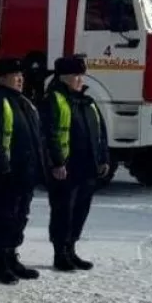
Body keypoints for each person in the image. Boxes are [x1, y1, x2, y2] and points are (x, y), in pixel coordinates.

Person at [0, 57, 48, 285]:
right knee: (2, 218)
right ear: (1, 78)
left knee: (19, 217)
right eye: (15, 75)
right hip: (4, 175)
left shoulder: (24, 102)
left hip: (25, 174)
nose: (20, 79)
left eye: (21, 75)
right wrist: (1, 169)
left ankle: (12, 257)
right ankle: (0, 264)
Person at [39, 55, 110, 271]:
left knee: (80, 211)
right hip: (66, 168)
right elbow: (48, 135)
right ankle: (60, 253)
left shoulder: (87, 101)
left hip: (87, 168)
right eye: (76, 76)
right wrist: (57, 163)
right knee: (63, 211)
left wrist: (103, 158)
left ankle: (71, 249)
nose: (81, 79)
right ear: (64, 77)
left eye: (81, 75)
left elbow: (100, 132)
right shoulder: (54, 99)